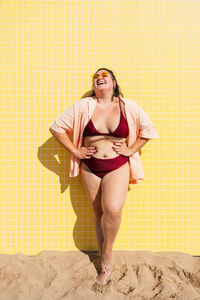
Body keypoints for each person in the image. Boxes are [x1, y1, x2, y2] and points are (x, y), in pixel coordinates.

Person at [49, 67, 159, 285]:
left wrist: (131, 149)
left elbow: (149, 131)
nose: (99, 78)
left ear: (114, 82)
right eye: (95, 77)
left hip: (117, 164)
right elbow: (56, 127)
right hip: (90, 166)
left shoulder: (129, 107)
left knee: (113, 209)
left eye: (104, 75)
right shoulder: (84, 106)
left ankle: (106, 255)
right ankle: (105, 264)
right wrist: (75, 151)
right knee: (98, 214)